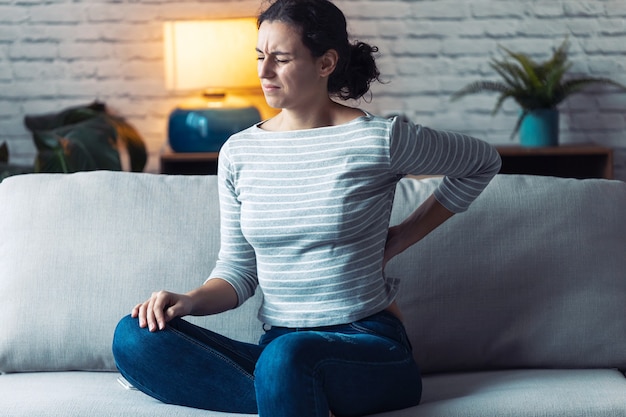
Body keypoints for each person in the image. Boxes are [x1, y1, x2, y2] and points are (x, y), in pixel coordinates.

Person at [112, 0, 502, 416]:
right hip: (281, 346)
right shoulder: (239, 152)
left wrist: (401, 237)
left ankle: (292, 390)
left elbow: (482, 162)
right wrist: (188, 300)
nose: (263, 72)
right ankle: (298, 396)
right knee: (134, 338)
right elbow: (238, 273)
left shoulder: (379, 140)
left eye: (280, 58)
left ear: (326, 63)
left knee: (286, 360)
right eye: (260, 57)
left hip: (367, 343)